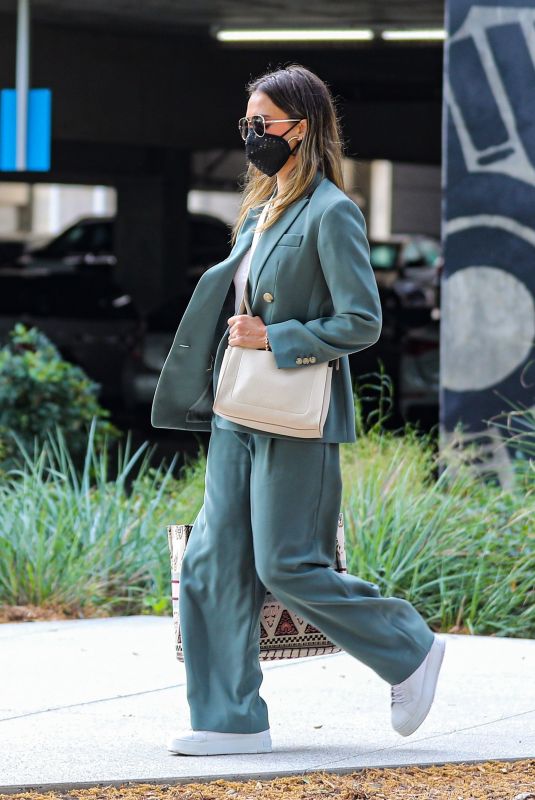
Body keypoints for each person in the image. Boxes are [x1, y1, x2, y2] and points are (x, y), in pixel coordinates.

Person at [152, 63, 446, 757]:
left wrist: (276, 336)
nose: (253, 135)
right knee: (210, 563)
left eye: (264, 124)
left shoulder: (331, 211)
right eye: (246, 125)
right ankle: (230, 719)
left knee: (288, 564)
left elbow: (361, 321)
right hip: (236, 408)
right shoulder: (259, 212)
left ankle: (408, 649)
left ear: (303, 129)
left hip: (294, 413)